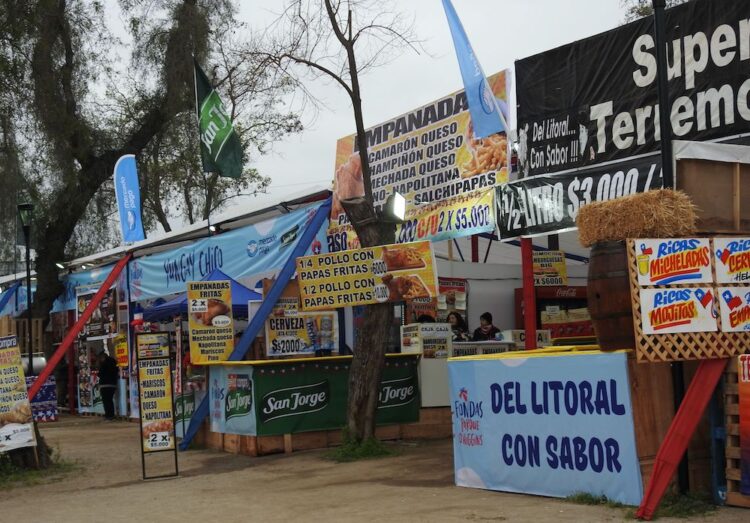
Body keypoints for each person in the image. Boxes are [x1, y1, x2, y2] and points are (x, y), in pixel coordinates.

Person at [97, 347, 118, 421]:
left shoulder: (103, 365)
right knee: (110, 400)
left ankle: (108, 415)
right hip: (112, 384)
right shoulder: (113, 363)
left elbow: (100, 374)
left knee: (106, 401)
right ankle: (111, 415)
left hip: (104, 384)